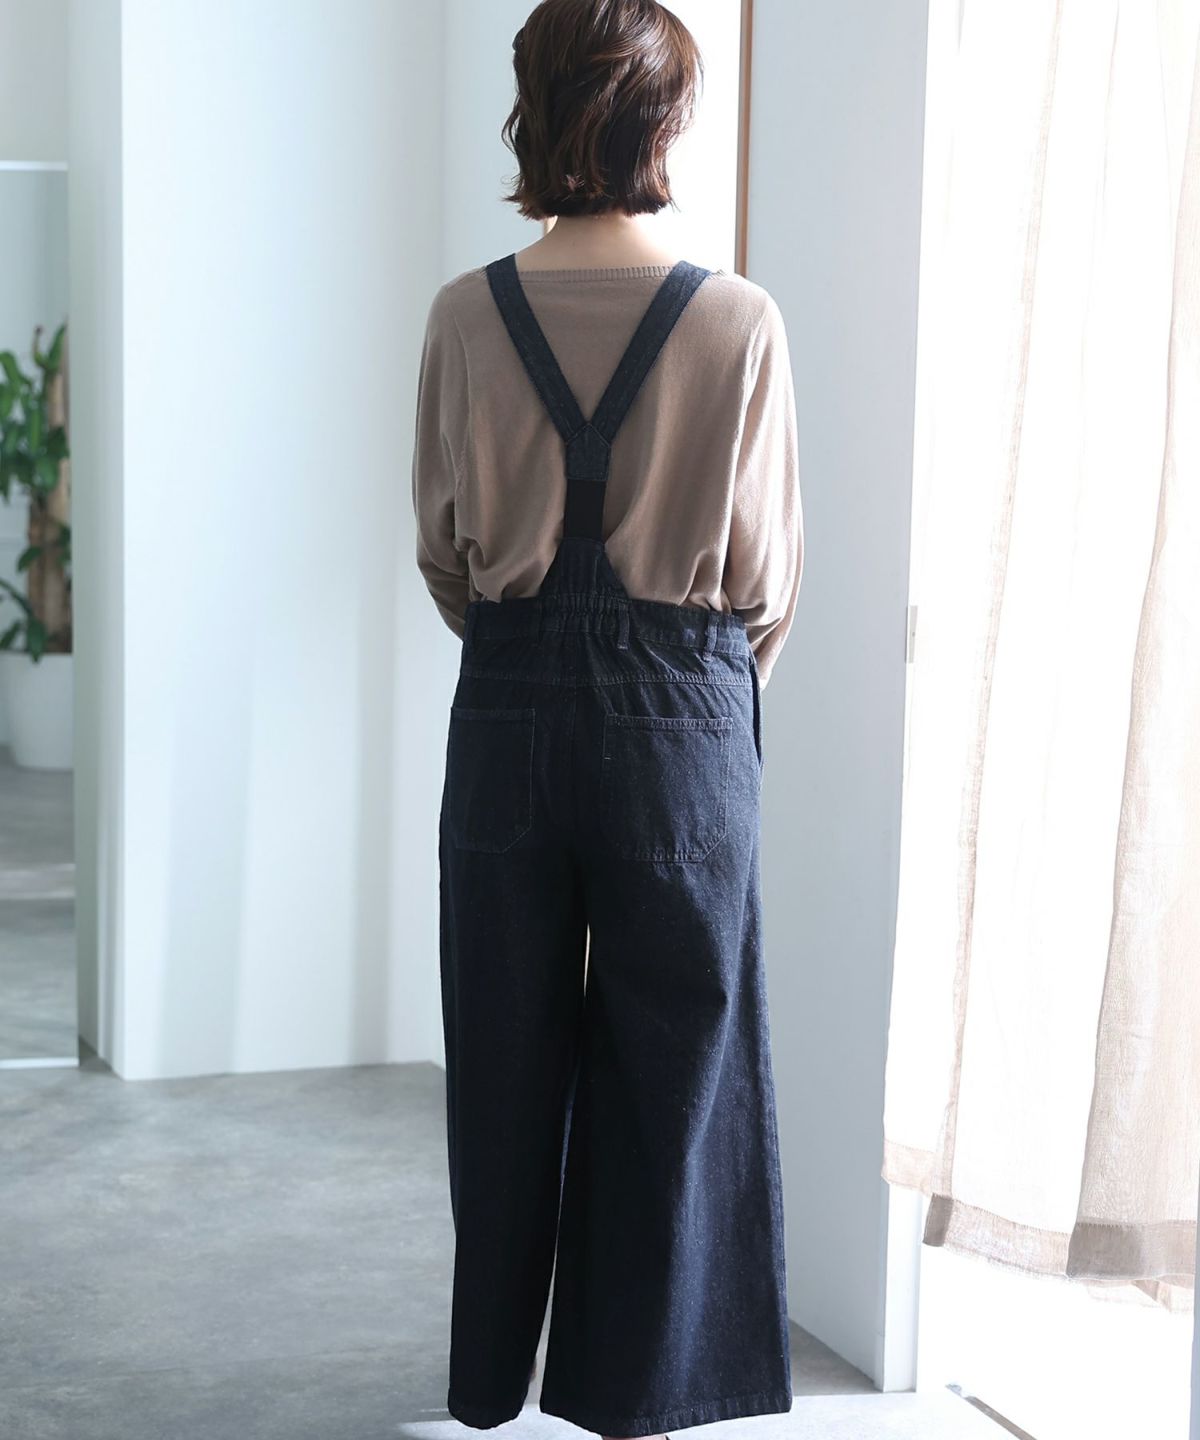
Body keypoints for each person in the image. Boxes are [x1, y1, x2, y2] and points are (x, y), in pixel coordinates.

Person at [410, 2, 803, 1436]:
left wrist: (530, 648)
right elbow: (764, 587)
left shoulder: (467, 314)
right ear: (667, 118)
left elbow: (444, 555)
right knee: (675, 1071)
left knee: (504, 1052)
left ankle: (491, 1379)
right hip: (683, 725)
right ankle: (637, 1397)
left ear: (532, 107)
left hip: (506, 711)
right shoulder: (739, 321)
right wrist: (685, 692)